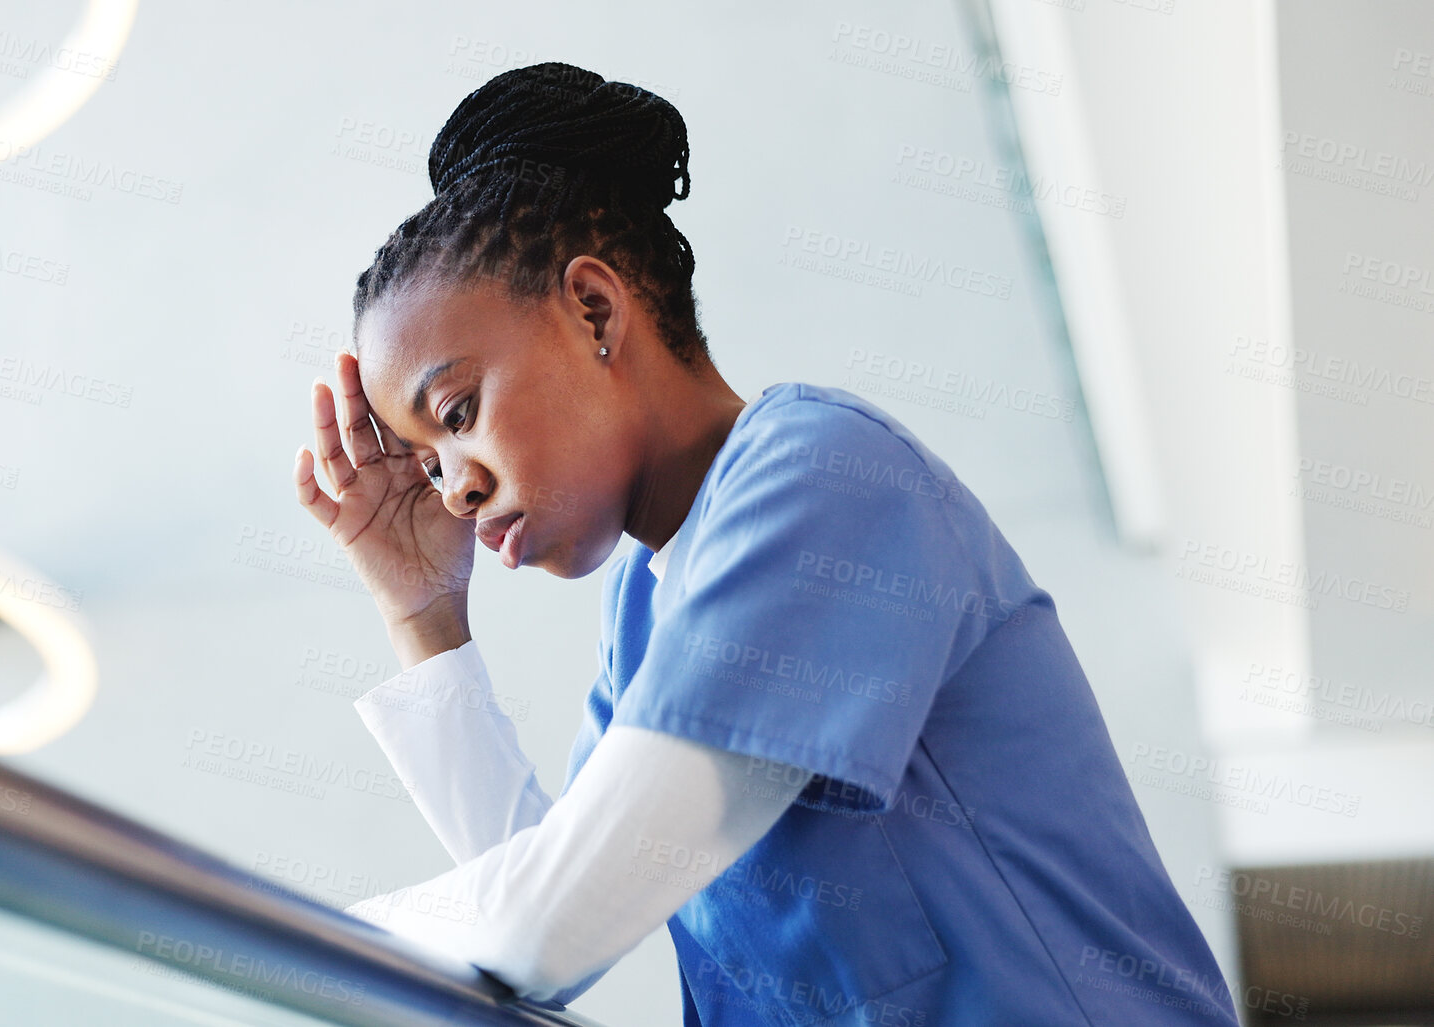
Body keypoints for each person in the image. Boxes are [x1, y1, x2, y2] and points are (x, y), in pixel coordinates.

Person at [293, 61, 1239, 1027]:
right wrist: (422, 614)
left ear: (592, 309)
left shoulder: (821, 478)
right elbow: (548, 903)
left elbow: (546, 922)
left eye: (455, 412)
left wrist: (293, 938)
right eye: (423, 460)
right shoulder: (644, 607)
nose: (453, 486)